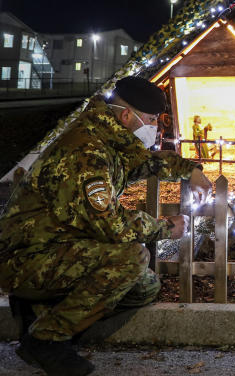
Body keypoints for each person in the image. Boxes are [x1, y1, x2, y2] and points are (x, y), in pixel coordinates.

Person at [0, 76, 212, 375]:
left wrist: (189, 170)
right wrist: (166, 228)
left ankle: (40, 309)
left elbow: (145, 163)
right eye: (151, 119)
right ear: (127, 115)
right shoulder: (86, 152)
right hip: (29, 255)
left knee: (145, 288)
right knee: (131, 258)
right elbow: (110, 225)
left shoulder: (108, 139)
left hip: (63, 246)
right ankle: (45, 339)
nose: (155, 127)